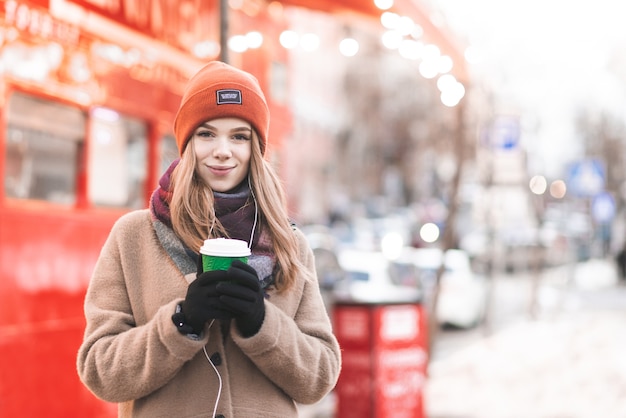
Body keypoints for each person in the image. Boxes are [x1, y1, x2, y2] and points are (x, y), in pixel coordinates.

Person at [77, 61, 342, 418]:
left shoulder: (288, 245)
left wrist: (261, 322)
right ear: (187, 143)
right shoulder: (134, 236)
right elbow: (100, 371)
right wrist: (182, 322)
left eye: (239, 136)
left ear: (256, 148)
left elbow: (319, 378)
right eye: (206, 134)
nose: (222, 150)